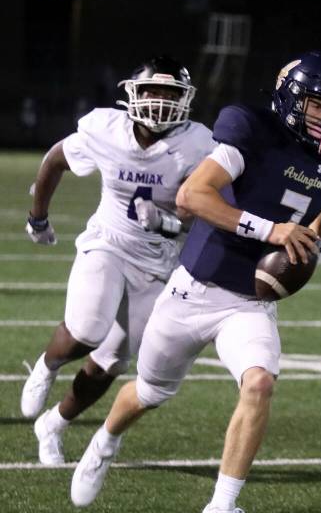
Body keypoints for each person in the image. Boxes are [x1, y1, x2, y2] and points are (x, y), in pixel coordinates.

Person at [69, 51, 321, 513]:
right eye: (320, 107)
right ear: (292, 98)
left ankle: (221, 508)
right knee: (150, 392)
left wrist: (311, 244)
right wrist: (272, 230)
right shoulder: (249, 127)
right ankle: (105, 442)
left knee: (260, 382)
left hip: (248, 302)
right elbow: (192, 198)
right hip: (192, 290)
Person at [22, 57, 214, 466]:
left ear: (186, 100)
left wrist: (166, 222)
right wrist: (37, 216)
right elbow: (55, 159)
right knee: (87, 329)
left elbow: (206, 212)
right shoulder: (104, 129)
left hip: (158, 261)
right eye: (152, 91)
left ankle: (54, 423)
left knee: (112, 361)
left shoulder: (199, 145)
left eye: (170, 94)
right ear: (133, 94)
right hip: (108, 241)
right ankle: (47, 364)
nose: (160, 101)